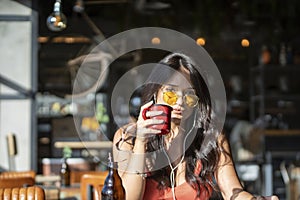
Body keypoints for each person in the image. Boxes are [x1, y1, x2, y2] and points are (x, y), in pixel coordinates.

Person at [112, 52, 278, 200]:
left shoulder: (211, 138)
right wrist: (141, 141)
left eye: (189, 96)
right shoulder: (128, 137)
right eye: (171, 92)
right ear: (156, 93)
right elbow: (128, 198)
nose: (179, 102)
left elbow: (232, 193)